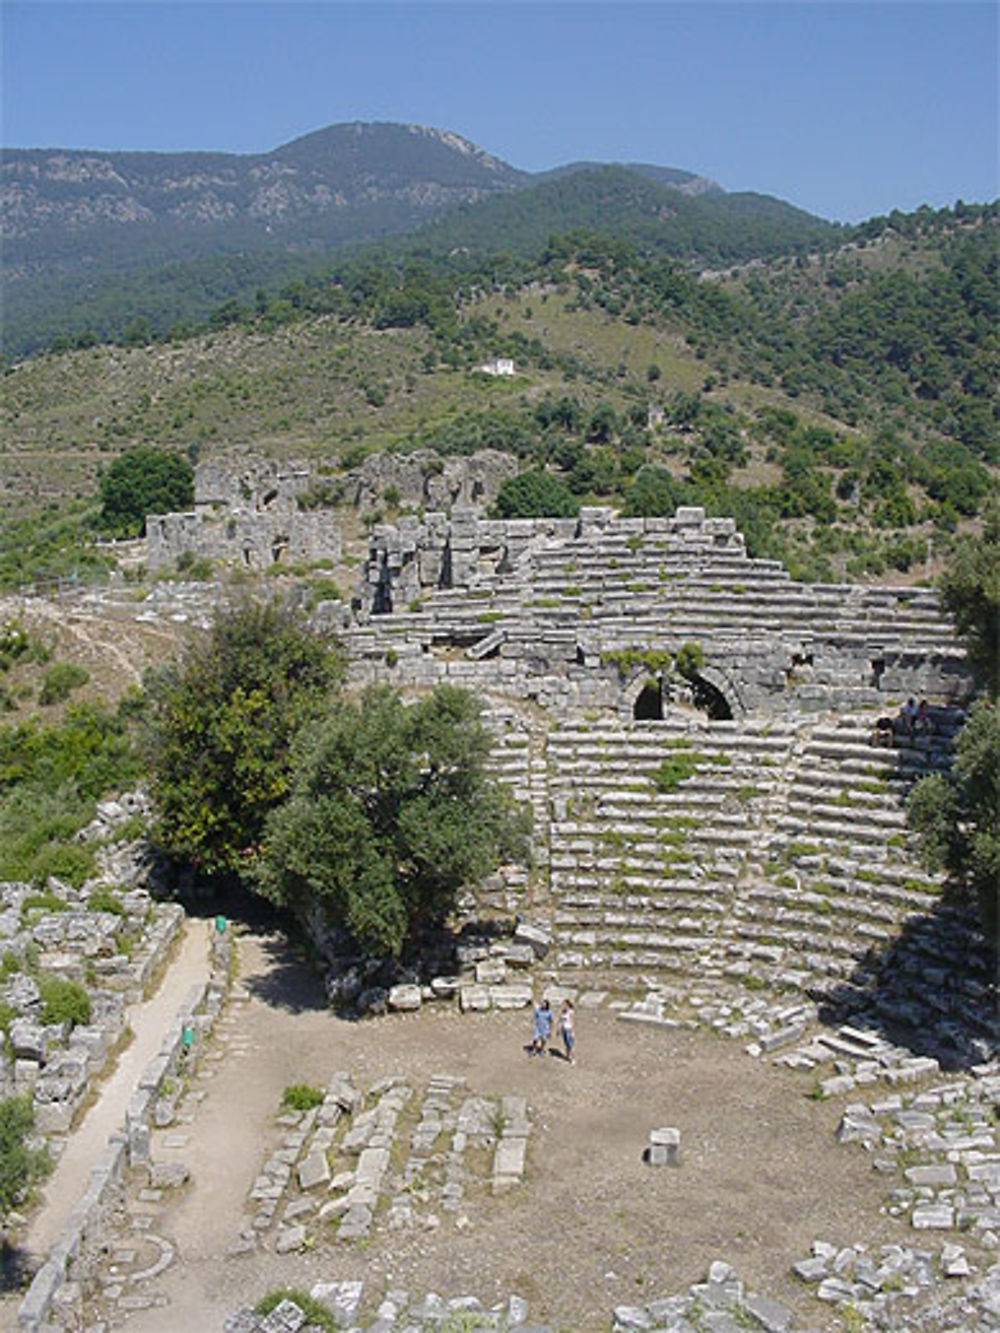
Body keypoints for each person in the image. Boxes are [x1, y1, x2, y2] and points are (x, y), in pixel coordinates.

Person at [560, 998, 576, 1064]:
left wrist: (572, 1031)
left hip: (569, 1029)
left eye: (564, 1004)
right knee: (566, 1044)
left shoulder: (571, 1012)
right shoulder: (563, 1012)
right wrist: (559, 1029)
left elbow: (572, 1022)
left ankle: (573, 1058)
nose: (563, 1005)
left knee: (571, 1045)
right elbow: (561, 1021)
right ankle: (567, 1056)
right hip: (564, 1029)